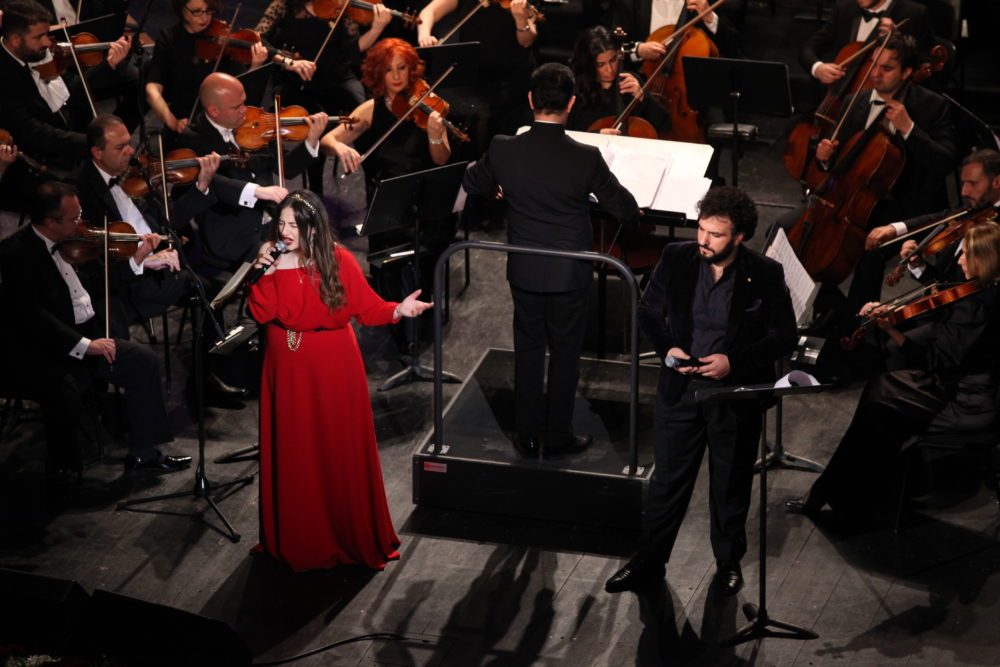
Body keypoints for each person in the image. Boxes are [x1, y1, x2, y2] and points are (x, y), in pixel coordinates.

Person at [605, 186, 797, 596]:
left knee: (730, 485)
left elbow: (784, 336)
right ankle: (649, 560)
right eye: (702, 229)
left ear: (739, 237)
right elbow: (649, 310)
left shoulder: (764, 273)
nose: (704, 240)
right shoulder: (677, 257)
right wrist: (667, 348)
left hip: (733, 395)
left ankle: (728, 564)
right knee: (667, 483)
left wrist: (733, 362)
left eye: (716, 234)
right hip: (682, 389)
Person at [247, 189, 431, 571]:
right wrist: (263, 273)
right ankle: (299, 539)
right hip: (287, 369)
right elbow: (261, 313)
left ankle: (345, 533)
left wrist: (398, 309)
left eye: (294, 225)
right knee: (295, 451)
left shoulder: (338, 259)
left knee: (335, 449)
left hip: (333, 366)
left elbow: (366, 307)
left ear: (313, 228)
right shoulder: (272, 261)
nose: (285, 232)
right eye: (281, 224)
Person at [462, 63, 640, 458]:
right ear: (571, 104)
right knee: (565, 353)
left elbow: (473, 182)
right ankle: (558, 434)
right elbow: (625, 209)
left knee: (528, 350)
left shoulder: (504, 147)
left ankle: (527, 436)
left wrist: (497, 188)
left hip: (524, 267)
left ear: (530, 100)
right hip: (569, 271)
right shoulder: (586, 157)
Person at [787, 221, 1000, 520]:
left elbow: (934, 360)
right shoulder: (987, 288)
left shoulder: (977, 307)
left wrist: (891, 329)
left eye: (966, 255)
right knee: (880, 393)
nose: (960, 259)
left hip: (967, 400)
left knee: (879, 400)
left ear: (983, 260)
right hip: (966, 384)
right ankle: (853, 491)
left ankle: (842, 494)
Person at [0, 181, 190, 475]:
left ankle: (144, 454)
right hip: (49, 349)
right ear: (50, 222)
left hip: (89, 335)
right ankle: (65, 472)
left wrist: (138, 258)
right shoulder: (15, 254)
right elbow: (33, 317)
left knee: (143, 361)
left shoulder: (76, 241)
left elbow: (104, 280)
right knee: (62, 394)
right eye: (74, 218)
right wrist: (86, 345)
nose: (82, 223)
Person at [175, 72, 327, 271]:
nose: (245, 110)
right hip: (232, 236)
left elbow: (287, 168)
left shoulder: (253, 123)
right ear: (213, 110)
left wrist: (311, 139)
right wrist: (258, 191)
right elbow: (214, 184)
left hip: (271, 224)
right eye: (236, 107)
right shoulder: (192, 139)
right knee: (287, 270)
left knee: (315, 254)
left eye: (244, 102)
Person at [77, 113, 219, 326]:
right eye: (120, 147)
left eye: (129, 143)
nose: (131, 151)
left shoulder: (134, 173)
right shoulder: (84, 194)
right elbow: (97, 265)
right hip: (133, 281)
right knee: (211, 292)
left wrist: (202, 185)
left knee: (210, 281)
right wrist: (143, 260)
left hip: (164, 260)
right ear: (98, 153)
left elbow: (168, 220)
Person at [255, 0, 395, 196]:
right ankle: (316, 186)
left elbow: (353, 51)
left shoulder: (339, 6)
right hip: (299, 80)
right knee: (317, 121)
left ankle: (375, 178)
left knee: (365, 114)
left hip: (337, 77)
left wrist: (376, 29)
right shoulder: (283, 6)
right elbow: (258, 38)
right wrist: (288, 62)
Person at [0, 0, 131, 178]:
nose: (48, 42)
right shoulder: (4, 76)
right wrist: (89, 143)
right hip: (39, 160)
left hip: (68, 138)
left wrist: (108, 65)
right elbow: (32, 132)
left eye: (47, 34)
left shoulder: (36, 52)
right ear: (16, 40)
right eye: (39, 37)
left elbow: (72, 89)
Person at [145, 0, 278, 138]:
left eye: (209, 10)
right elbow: (152, 89)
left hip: (223, 123)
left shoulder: (221, 36)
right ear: (181, 9)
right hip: (184, 121)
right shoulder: (169, 38)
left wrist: (255, 66)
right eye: (197, 11)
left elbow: (240, 94)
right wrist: (173, 122)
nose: (205, 18)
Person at [417, 0, 537, 146]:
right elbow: (429, 12)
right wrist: (424, 35)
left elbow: (527, 41)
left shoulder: (518, 3)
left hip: (513, 79)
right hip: (475, 75)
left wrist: (520, 20)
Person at [799, 0, 933, 86]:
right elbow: (808, 47)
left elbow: (926, 61)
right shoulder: (844, 7)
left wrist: (898, 39)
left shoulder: (914, 13)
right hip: (840, 94)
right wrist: (817, 68)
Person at [567, 25, 670, 135]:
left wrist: (643, 98)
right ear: (588, 64)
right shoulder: (575, 88)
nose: (610, 69)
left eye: (613, 60)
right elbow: (566, 132)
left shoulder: (629, 81)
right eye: (600, 65)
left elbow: (665, 125)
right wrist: (596, 135)